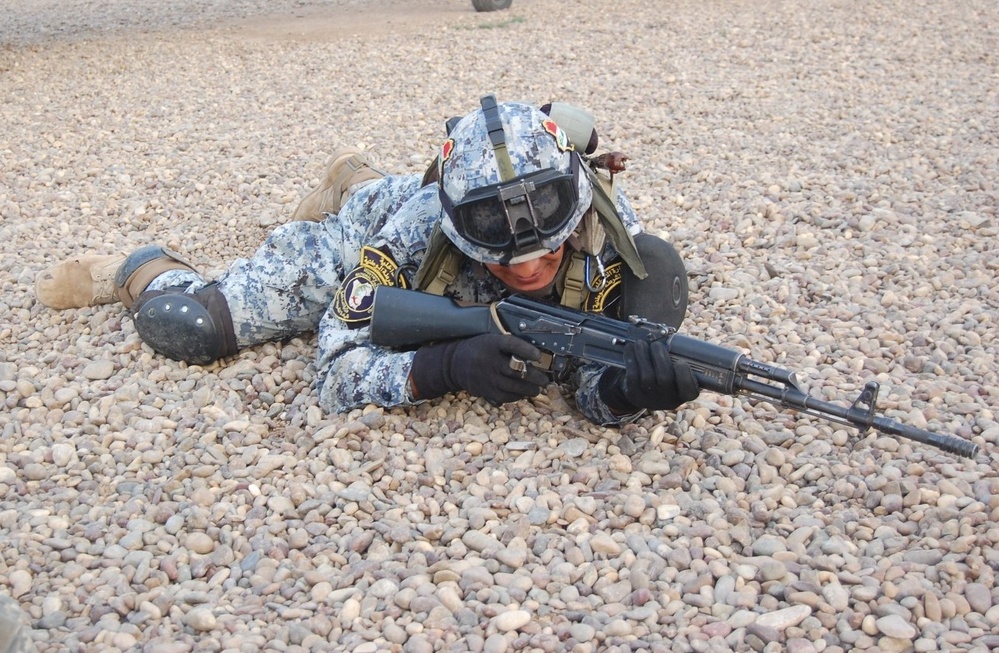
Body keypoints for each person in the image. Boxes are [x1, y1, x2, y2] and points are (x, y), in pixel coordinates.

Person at [35, 96, 700, 425]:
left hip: (412, 203)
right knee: (192, 326)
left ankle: (353, 174)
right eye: (502, 251)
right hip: (373, 224)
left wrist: (627, 390)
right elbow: (333, 374)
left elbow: (590, 376)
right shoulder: (415, 231)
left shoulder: (606, 230)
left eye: (547, 243)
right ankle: (135, 267)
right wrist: (439, 367)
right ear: (461, 226)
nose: (528, 266)